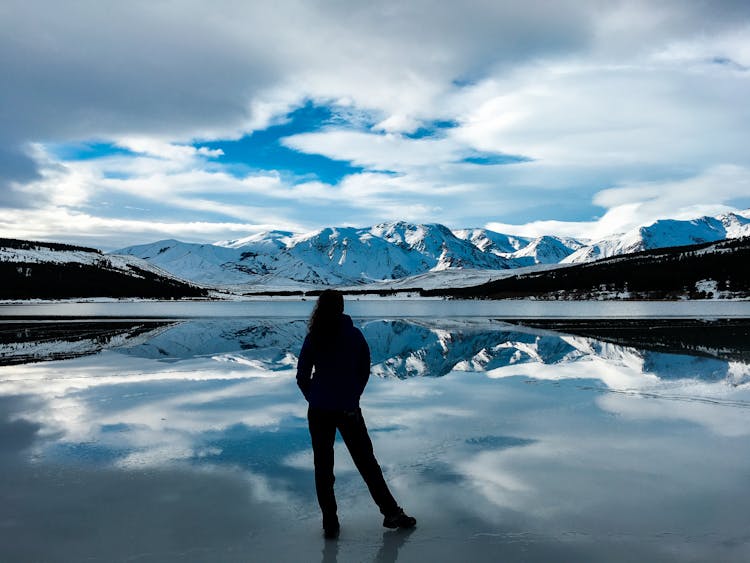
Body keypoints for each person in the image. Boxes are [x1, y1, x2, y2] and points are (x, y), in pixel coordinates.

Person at [297, 289, 416, 539]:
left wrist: (315, 396)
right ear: (341, 308)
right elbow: (364, 370)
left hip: (319, 410)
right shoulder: (353, 336)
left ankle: (330, 523)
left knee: (323, 466)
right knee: (367, 463)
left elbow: (301, 376)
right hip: (347, 408)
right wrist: (353, 395)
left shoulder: (314, 336)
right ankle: (391, 512)